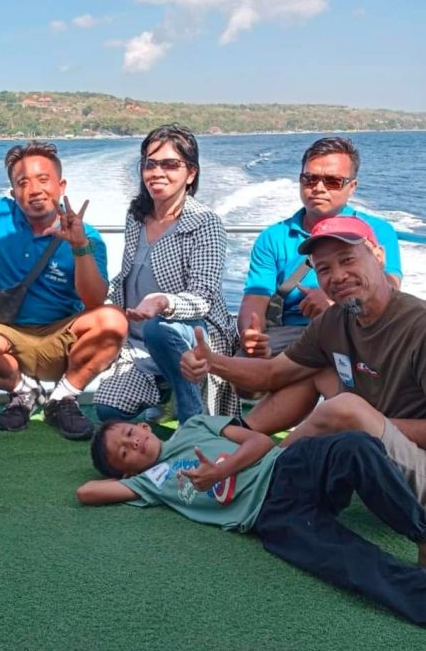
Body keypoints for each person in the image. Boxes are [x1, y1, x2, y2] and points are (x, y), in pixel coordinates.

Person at [77, 416, 426, 626]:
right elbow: (86, 492)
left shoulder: (195, 425)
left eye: (129, 433)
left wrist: (222, 471)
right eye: (124, 452)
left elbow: (259, 441)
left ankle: (420, 533)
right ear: (126, 472)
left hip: (286, 466)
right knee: (348, 561)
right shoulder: (147, 483)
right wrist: (126, 478)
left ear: (142, 425)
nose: (134, 443)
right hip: (271, 517)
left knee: (356, 446)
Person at [181, 216, 426, 505]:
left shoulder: (419, 326)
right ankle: (236, 442)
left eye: (347, 260)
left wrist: (360, 422)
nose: (337, 276)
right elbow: (272, 373)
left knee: (344, 411)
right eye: (324, 269)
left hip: (417, 471)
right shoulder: (333, 322)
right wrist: (212, 362)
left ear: (379, 256)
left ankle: (263, 474)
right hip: (376, 454)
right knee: (314, 371)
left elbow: (353, 417)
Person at [0, 141, 127, 439]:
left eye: (43, 180)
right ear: (13, 193)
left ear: (61, 186)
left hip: (60, 338)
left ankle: (63, 397)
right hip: (5, 334)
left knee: (113, 319)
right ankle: (23, 392)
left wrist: (79, 247)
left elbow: (94, 301)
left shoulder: (87, 235)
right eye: (23, 183)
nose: (34, 190)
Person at [93, 124, 238, 425]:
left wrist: (163, 302)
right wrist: (104, 309)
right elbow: (126, 276)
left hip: (193, 333)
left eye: (170, 164)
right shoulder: (136, 217)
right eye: (150, 164)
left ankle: (192, 422)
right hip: (138, 340)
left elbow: (203, 298)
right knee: (109, 410)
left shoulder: (205, 223)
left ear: (191, 173)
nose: (157, 173)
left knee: (159, 329)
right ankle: (164, 388)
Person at [238, 136, 401, 360]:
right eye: (310, 179)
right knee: (242, 369)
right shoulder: (273, 238)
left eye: (333, 181)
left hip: (354, 329)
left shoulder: (377, 231)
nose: (318, 188)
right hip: (291, 333)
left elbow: (390, 289)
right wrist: (251, 334)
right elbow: (256, 297)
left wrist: (334, 305)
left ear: (352, 187)